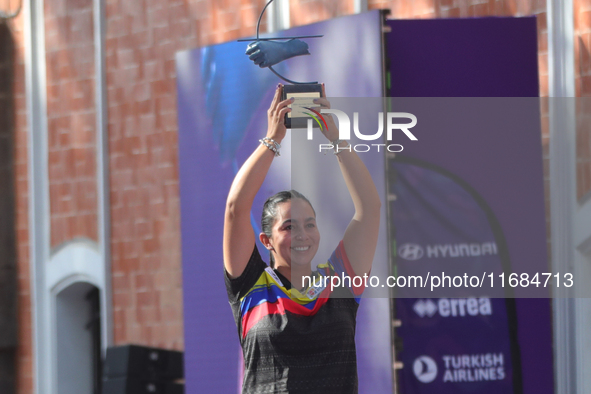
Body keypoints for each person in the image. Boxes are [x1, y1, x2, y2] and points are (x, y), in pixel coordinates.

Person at [223, 84, 381, 393]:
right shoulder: (250, 286)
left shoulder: (340, 283)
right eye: (289, 227)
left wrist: (336, 138)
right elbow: (235, 208)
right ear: (266, 240)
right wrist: (273, 140)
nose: (303, 235)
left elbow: (370, 209)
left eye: (310, 224)